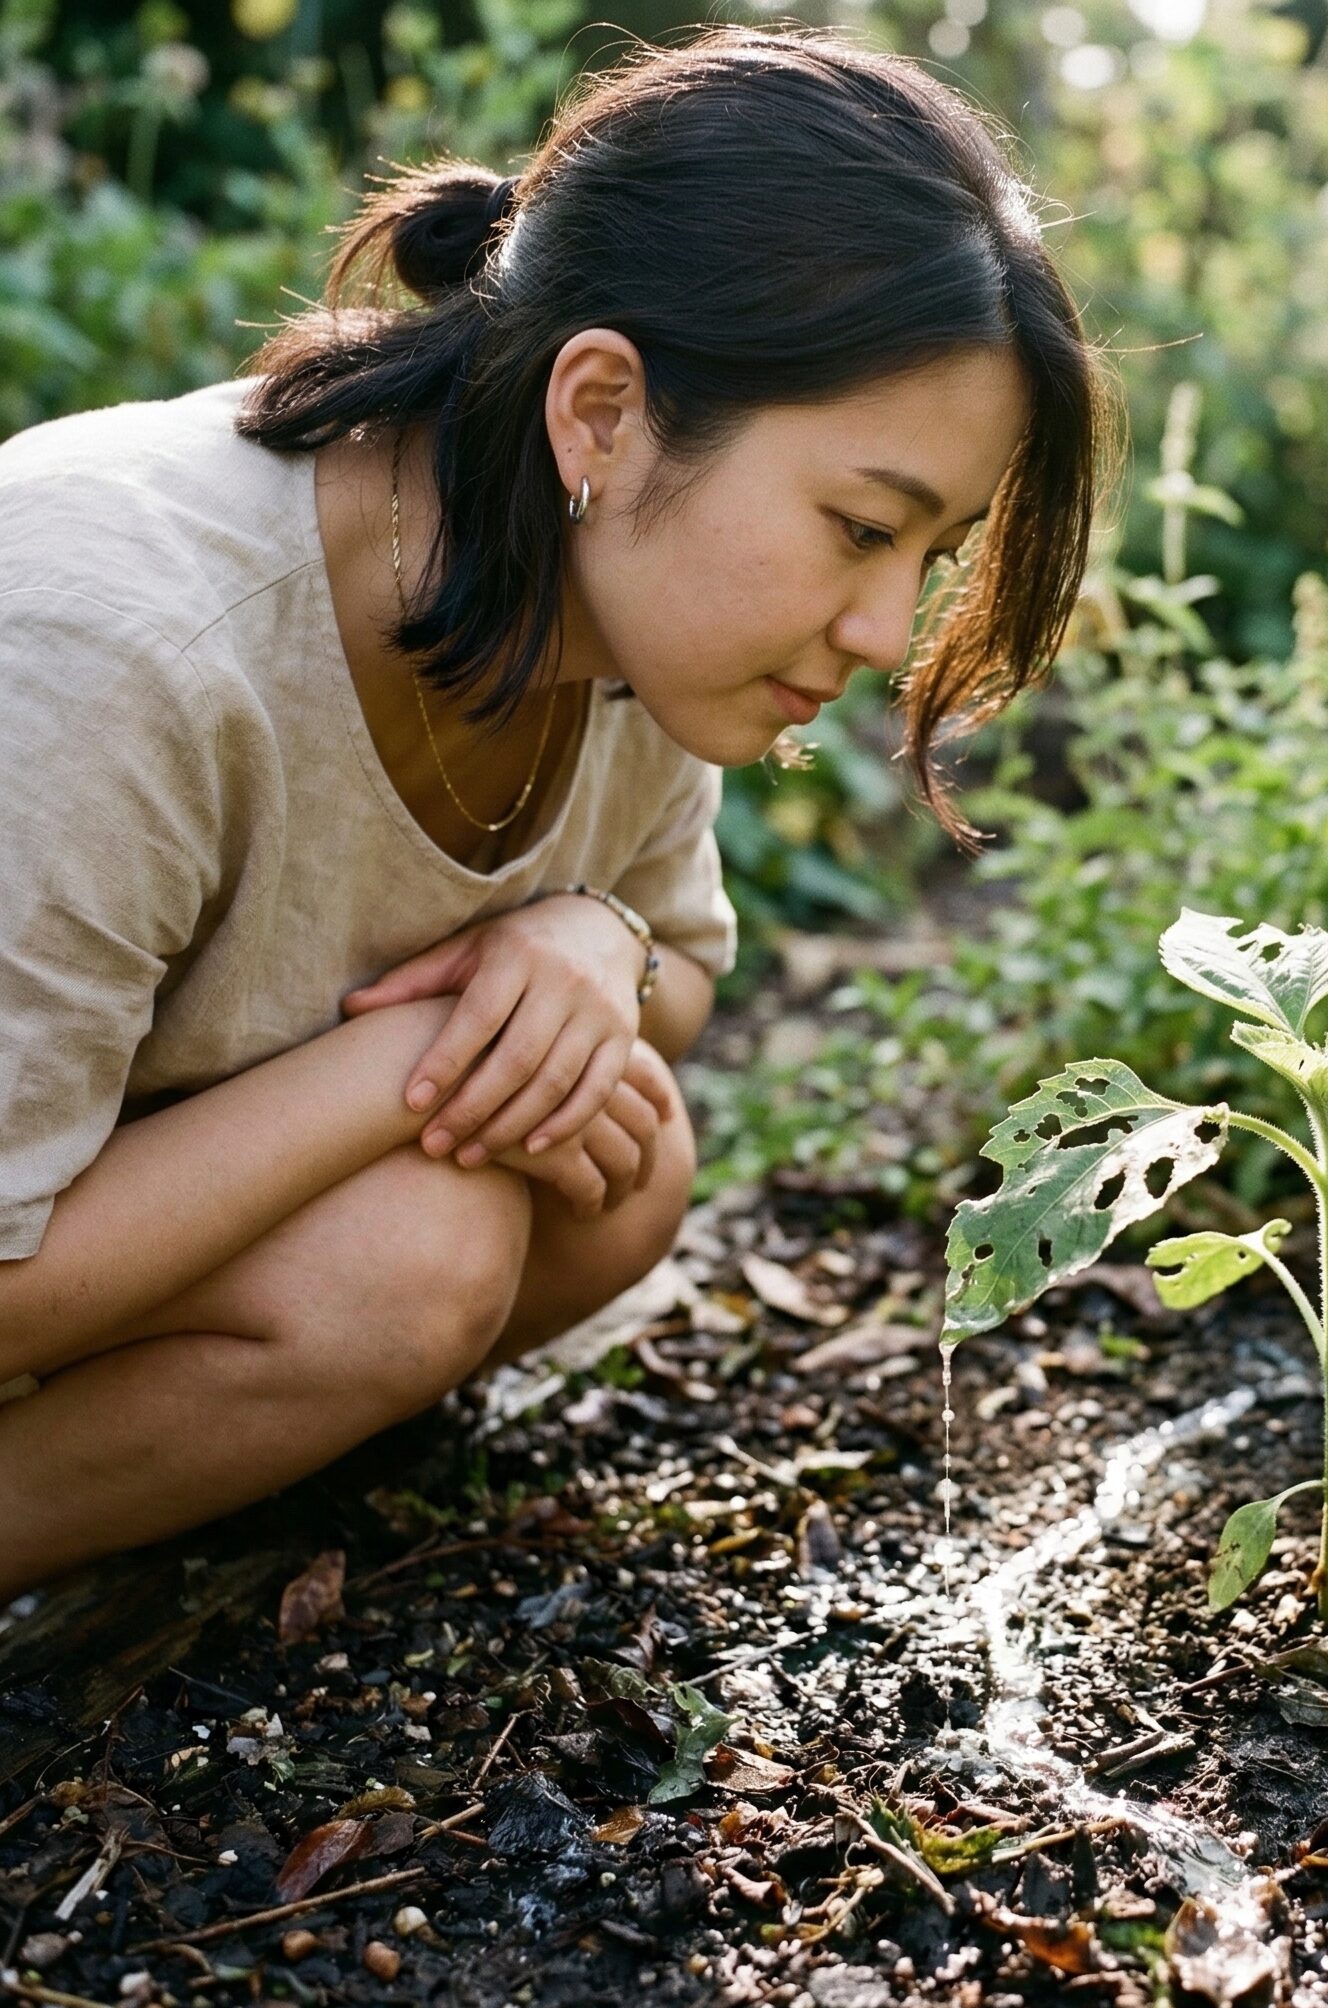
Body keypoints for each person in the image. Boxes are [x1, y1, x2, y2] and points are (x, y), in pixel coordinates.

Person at [0, 24, 1114, 1603]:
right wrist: (410, 1062)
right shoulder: (111, 645)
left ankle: (188, 1522)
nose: (882, 632)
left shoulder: (611, 616)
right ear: (601, 412)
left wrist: (592, 941)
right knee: (422, 1258)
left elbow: (680, 971)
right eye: (860, 527)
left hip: (118, 1245)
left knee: (613, 1168)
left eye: (926, 558)